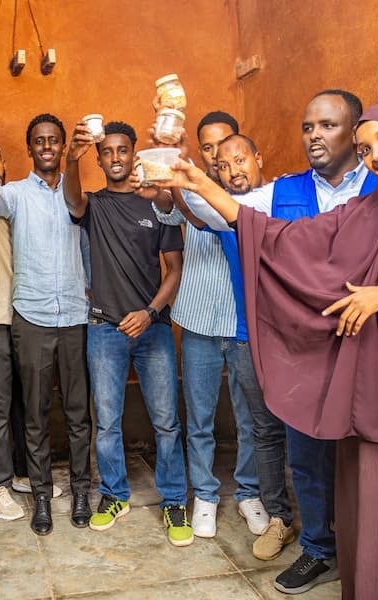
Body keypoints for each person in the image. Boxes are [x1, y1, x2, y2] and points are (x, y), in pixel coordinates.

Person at [163, 99, 378, 599]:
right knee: (376, 498)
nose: (376, 155)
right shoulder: (367, 213)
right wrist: (200, 185)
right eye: (366, 148)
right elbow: (282, 239)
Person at [179, 90, 378, 593]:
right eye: (307, 126)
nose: (314, 134)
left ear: (355, 133)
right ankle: (318, 548)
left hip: (368, 341)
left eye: (327, 125)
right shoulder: (281, 192)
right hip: (302, 348)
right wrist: (191, 178)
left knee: (368, 452)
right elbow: (226, 211)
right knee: (305, 450)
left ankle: (375, 547)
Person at [63, 120, 191, 545]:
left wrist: (150, 311)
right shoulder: (94, 205)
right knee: (108, 423)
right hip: (104, 330)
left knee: (167, 423)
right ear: (99, 159)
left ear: (134, 154)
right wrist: (72, 157)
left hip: (152, 329)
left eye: (122, 150)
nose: (115, 158)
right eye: (107, 152)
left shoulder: (157, 204)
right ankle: (114, 495)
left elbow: (174, 269)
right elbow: (72, 198)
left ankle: (174, 499)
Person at [0, 113, 92, 536]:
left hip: (75, 316)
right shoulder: (15, 194)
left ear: (63, 147)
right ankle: (41, 495)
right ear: (29, 149)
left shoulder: (77, 193)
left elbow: (79, 209)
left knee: (78, 414)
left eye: (53, 140)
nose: (46, 146)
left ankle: (80, 491)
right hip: (33, 318)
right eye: (39, 140)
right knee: (37, 417)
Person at [152, 112, 270, 541]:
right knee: (198, 416)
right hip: (200, 316)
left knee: (250, 418)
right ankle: (204, 493)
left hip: (244, 323)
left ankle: (249, 492)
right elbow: (172, 217)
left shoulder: (258, 200)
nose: (220, 159)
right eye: (209, 150)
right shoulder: (193, 189)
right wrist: (170, 190)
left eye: (226, 148)